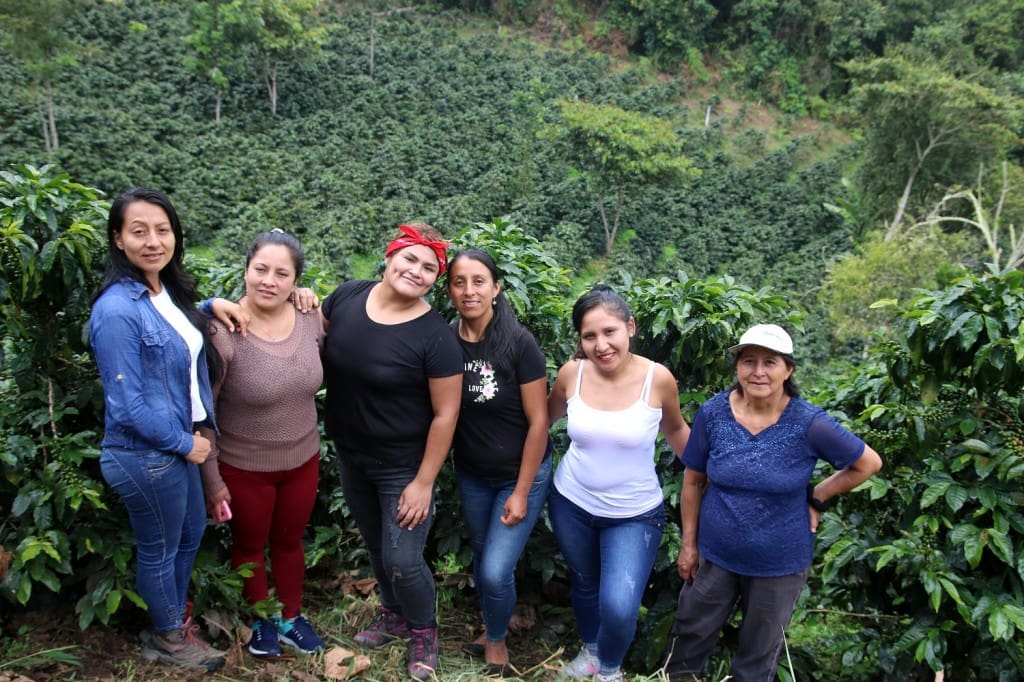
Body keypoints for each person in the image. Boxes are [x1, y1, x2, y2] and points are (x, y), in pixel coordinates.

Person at [662, 324, 883, 681]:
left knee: (757, 656)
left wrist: (818, 497)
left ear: (789, 369)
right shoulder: (714, 413)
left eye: (770, 362)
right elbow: (692, 479)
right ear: (737, 367)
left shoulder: (809, 423)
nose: (758, 372)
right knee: (689, 639)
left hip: (778, 564)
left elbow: (867, 463)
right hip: (715, 555)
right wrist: (688, 544)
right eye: (749, 361)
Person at [89, 188, 226, 673]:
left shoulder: (163, 290)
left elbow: (174, 333)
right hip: (146, 453)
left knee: (187, 538)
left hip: (172, 449)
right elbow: (127, 404)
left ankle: (171, 621)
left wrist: (210, 306)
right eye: (138, 231)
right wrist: (186, 444)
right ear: (118, 239)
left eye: (162, 230)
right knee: (161, 547)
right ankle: (169, 637)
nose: (153, 241)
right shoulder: (115, 310)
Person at [320, 223, 462, 680]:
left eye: (429, 268)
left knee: (403, 558)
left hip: (402, 465)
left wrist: (423, 483)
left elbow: (446, 414)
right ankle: (393, 615)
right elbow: (310, 341)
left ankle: (423, 629)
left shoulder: (435, 336)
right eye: (409, 259)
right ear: (389, 256)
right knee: (379, 547)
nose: (416, 272)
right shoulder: (345, 297)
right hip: (351, 454)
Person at [547, 284, 691, 682]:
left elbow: (678, 432)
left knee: (620, 605)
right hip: (571, 500)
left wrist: (716, 476)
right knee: (585, 583)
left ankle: (610, 670)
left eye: (609, 331)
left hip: (633, 513)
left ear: (630, 327)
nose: (601, 345)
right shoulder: (571, 374)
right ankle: (591, 653)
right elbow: (541, 422)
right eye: (589, 336)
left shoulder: (657, 380)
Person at [198, 229, 326, 659]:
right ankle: (260, 620)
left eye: (282, 273)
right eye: (261, 270)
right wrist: (212, 480)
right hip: (243, 466)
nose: (269, 280)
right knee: (250, 545)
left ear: (296, 281)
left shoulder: (311, 318)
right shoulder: (224, 330)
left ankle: (291, 616)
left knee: (290, 541)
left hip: (303, 459)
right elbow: (204, 412)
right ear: (246, 270)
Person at [445, 249, 552, 678]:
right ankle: (493, 624)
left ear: (496, 287)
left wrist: (523, 491)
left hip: (519, 474)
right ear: (449, 289)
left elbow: (540, 420)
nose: (469, 290)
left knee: (494, 570)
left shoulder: (519, 344)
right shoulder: (445, 341)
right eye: (458, 282)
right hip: (472, 474)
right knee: (484, 555)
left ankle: (496, 640)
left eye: (478, 281)